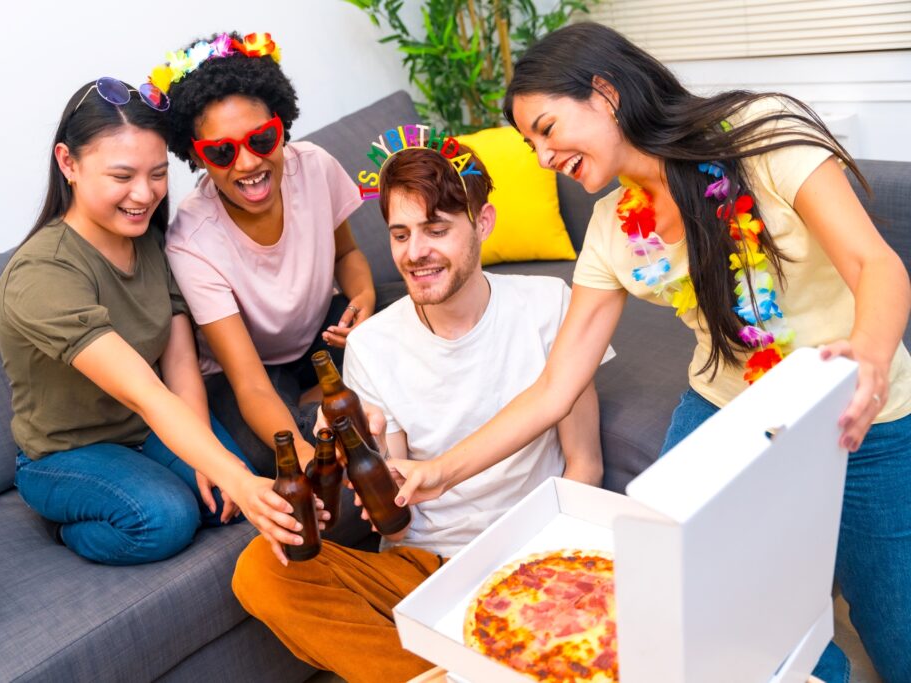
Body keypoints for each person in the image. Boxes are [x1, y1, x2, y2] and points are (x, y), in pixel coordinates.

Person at [388, 23, 911, 683]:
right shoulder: (611, 229)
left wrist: (865, 361)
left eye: (547, 128)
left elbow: (877, 265)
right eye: (530, 144)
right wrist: (440, 471)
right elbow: (556, 386)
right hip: (726, 411)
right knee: (714, 615)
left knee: (901, 635)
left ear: (605, 93)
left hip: (868, 409)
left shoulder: (761, 132)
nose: (544, 156)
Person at [231, 143, 613, 682]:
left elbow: (585, 466)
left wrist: (551, 569)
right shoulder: (372, 345)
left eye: (436, 229)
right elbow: (398, 507)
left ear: (482, 223)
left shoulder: (548, 305)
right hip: (425, 570)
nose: (415, 253)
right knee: (260, 571)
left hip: (532, 554)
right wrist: (369, 455)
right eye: (400, 233)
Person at [0, 77, 316, 566]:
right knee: (167, 519)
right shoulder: (41, 274)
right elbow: (143, 390)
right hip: (67, 454)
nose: (144, 195)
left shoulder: (147, 242)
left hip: (147, 428)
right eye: (122, 177)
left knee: (224, 502)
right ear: (69, 164)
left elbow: (180, 364)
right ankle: (69, 524)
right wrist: (228, 472)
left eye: (157, 174)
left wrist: (214, 459)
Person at [158, 32, 377, 475]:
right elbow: (250, 384)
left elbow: (347, 254)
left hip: (320, 332)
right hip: (253, 369)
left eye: (260, 140)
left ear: (281, 126)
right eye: (221, 151)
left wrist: (365, 305)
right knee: (270, 454)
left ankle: (322, 393)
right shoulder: (191, 240)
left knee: (415, 322)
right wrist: (301, 454)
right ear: (196, 158)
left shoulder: (313, 166)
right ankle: (322, 397)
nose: (246, 164)